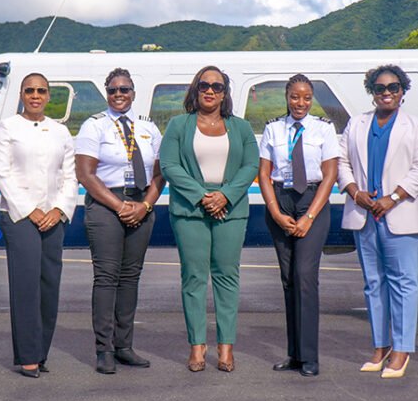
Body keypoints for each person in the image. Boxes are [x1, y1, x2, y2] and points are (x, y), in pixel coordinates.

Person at [159, 66, 258, 373]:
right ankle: (197, 345)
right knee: (194, 277)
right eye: (204, 85)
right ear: (196, 89)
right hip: (190, 210)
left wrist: (225, 195)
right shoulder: (178, 125)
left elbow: (250, 166)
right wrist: (202, 196)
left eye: (217, 86)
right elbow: (169, 165)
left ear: (225, 92)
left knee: (227, 276)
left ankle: (226, 346)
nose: (210, 91)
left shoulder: (241, 127)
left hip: (231, 210)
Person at [75, 68, 165, 374]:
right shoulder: (94, 125)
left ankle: (124, 345)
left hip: (140, 203)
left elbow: (159, 173)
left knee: (130, 278)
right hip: (106, 204)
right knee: (106, 277)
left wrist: (145, 205)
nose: (118, 95)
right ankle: (104, 349)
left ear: (133, 93)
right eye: (113, 90)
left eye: (124, 89)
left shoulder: (148, 127)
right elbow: (85, 174)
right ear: (106, 93)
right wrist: (119, 206)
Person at [0, 73, 77, 378]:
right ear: (21, 95)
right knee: (26, 285)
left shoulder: (61, 131)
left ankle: (41, 352)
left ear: (49, 95)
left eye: (41, 91)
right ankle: (27, 355)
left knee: (49, 285)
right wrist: (31, 210)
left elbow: (70, 176)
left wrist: (59, 208)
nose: (36, 96)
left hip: (54, 215)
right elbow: (1, 173)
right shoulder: (8, 127)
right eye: (30, 91)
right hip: (20, 216)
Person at [338, 65, 418, 379]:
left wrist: (393, 197)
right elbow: (341, 161)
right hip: (365, 214)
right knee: (373, 283)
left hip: (399, 213)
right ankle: (380, 346)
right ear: (371, 92)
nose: (387, 93)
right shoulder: (356, 124)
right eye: (380, 87)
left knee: (403, 283)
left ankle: (402, 349)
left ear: (403, 91)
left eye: (393, 87)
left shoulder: (413, 126)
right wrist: (354, 191)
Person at [258, 74, 339, 377]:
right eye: (295, 96)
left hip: (311, 202)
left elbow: (329, 175)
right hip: (281, 202)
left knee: (305, 276)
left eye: (306, 97)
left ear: (311, 98)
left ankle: (309, 357)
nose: (300, 103)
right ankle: (294, 354)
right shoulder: (273, 128)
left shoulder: (323, 129)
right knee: (289, 279)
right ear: (286, 97)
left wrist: (309, 217)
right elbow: (264, 174)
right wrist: (276, 212)